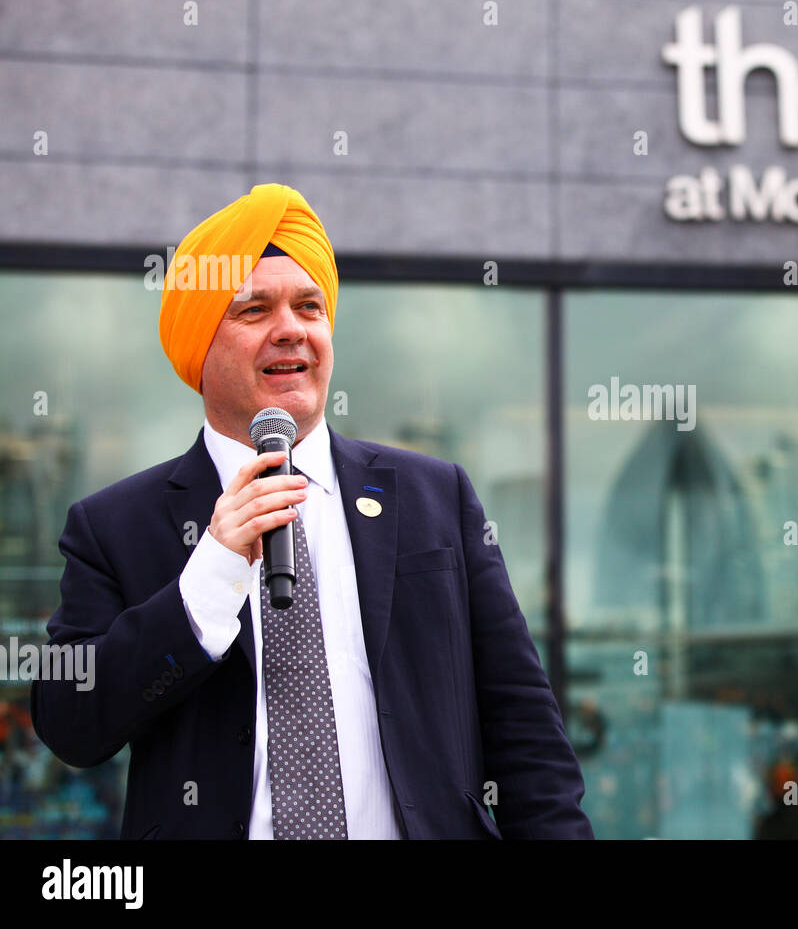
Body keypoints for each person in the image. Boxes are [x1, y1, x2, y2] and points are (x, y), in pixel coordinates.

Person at [30, 183, 593, 840]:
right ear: (199, 344)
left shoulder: (433, 496)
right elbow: (70, 722)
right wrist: (206, 582)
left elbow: (523, 726)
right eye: (255, 309)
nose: (291, 328)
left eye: (309, 306)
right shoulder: (115, 526)